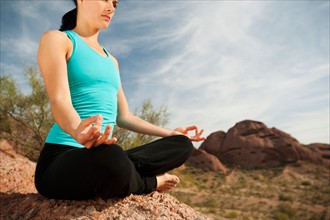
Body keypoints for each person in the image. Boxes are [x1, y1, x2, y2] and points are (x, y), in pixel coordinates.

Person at [34, 0, 205, 200]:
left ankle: (126, 170)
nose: (111, 8)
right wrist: (77, 129)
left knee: (182, 145)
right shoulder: (59, 39)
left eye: (115, 3)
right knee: (113, 157)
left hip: (102, 155)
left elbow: (123, 117)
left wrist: (171, 133)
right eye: (105, 0)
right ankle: (150, 182)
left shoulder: (111, 61)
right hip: (61, 158)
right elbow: (59, 99)